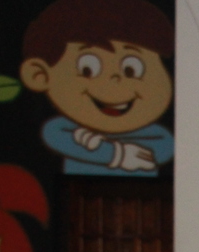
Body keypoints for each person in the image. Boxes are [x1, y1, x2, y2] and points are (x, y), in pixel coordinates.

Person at [19, 0, 175, 176]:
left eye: (131, 69)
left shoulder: (156, 134)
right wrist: (117, 154)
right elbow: (55, 137)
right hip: (76, 189)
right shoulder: (63, 129)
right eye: (88, 69)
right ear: (40, 75)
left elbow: (165, 148)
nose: (114, 79)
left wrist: (100, 148)